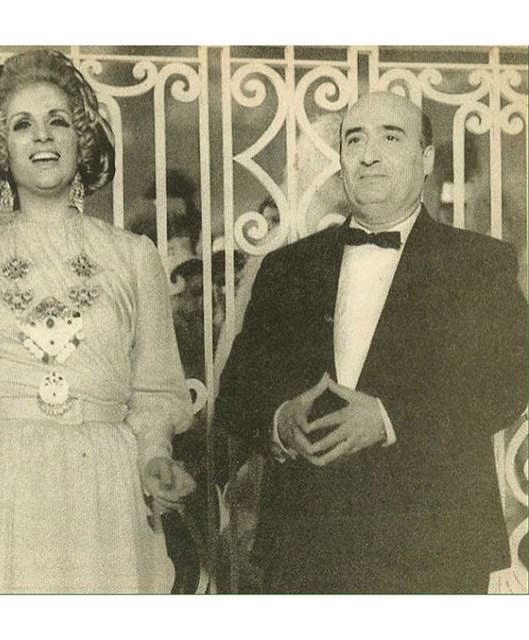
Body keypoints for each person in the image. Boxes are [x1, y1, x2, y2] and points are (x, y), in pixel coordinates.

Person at [0, 49, 195, 594]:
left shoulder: (134, 256)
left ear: (82, 137)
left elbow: (155, 390)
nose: (43, 137)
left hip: (104, 486)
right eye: (22, 125)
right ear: (0, 147)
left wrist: (156, 456)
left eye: (59, 121)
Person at [214, 92, 526, 594]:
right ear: (340, 159)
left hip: (434, 549)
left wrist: (388, 419)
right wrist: (279, 420)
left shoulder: (479, 264)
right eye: (354, 140)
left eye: (391, 137)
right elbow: (236, 393)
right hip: (305, 548)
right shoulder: (286, 269)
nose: (369, 155)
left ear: (427, 159)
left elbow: (505, 385)